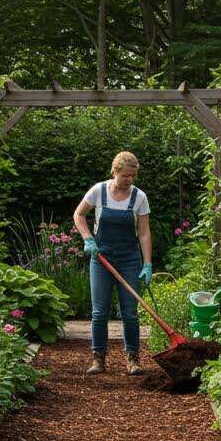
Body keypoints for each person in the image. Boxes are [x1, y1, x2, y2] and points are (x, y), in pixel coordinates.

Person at [72, 151, 153, 375]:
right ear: (114, 171)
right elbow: (79, 215)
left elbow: (144, 233)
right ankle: (98, 359)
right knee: (99, 312)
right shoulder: (99, 191)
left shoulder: (139, 197)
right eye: (126, 175)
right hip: (102, 258)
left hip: (129, 259)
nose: (130, 180)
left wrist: (147, 263)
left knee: (130, 312)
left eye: (133, 176)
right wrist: (88, 240)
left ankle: (133, 359)